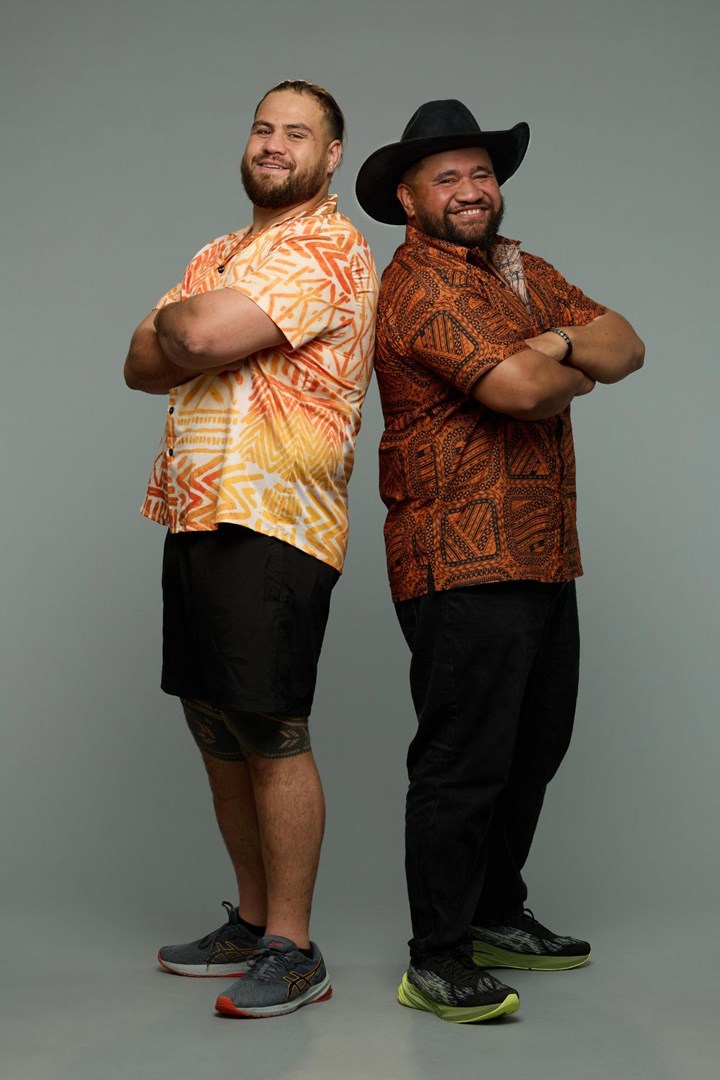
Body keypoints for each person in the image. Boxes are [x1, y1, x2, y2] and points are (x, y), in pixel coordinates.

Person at [355, 99, 644, 1024]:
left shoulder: (521, 269)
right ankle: (435, 957)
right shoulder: (418, 285)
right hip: (460, 561)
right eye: (448, 178)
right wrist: (557, 360)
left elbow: (625, 343)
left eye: (482, 174)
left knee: (535, 746)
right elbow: (518, 392)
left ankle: (491, 913)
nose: (472, 190)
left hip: (543, 550)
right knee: (464, 760)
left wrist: (556, 340)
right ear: (409, 198)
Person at [124, 80, 377, 1019]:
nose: (275, 145)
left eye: (298, 133)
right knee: (214, 724)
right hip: (196, 509)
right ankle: (252, 917)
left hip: (276, 518)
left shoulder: (330, 246)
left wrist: (190, 326)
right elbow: (141, 365)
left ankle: (293, 947)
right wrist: (190, 331)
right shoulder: (220, 251)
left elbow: (182, 331)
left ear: (333, 155)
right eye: (264, 128)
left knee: (270, 728)